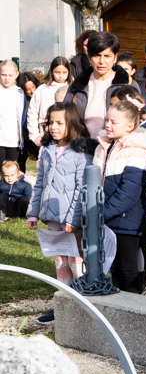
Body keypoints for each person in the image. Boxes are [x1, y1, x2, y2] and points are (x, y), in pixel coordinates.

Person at [27, 103, 94, 323]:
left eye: (59, 123)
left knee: (76, 261)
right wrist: (34, 213)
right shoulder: (47, 150)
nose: (53, 127)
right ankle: (64, 305)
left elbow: (80, 188)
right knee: (60, 261)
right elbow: (40, 184)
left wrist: (72, 220)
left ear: (72, 124)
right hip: (52, 218)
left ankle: (83, 306)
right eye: (50, 123)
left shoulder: (81, 153)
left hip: (70, 223)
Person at [95, 98, 146, 294]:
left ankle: (134, 314)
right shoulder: (103, 146)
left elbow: (128, 193)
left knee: (128, 269)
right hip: (107, 220)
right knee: (114, 269)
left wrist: (100, 214)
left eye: (114, 122)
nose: (107, 125)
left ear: (130, 126)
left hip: (127, 222)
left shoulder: (138, 151)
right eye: (107, 120)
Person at [67, 31, 131, 139]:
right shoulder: (77, 86)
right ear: (89, 57)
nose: (102, 61)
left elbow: (138, 123)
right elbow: (65, 117)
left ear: (115, 57)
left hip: (115, 151)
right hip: (82, 151)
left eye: (107, 56)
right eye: (97, 55)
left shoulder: (128, 86)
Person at [27, 57, 73, 148]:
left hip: (68, 136)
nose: (61, 76)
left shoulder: (73, 88)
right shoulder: (42, 89)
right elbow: (32, 113)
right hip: (46, 135)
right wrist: (35, 135)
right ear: (52, 71)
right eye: (57, 72)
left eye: (64, 72)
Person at [0, 61, 27, 164]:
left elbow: (22, 117)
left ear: (16, 75)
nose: (7, 78)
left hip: (14, 141)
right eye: (3, 75)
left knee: (10, 172)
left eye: (10, 75)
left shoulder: (19, 93)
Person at [15, 72, 38, 171]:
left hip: (37, 136)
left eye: (33, 87)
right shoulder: (20, 100)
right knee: (20, 164)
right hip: (23, 137)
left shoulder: (39, 96)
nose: (32, 91)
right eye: (28, 89)